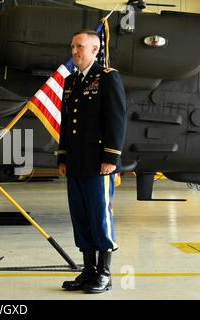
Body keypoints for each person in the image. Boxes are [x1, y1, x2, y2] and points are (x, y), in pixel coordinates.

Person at [57, 30, 127, 294]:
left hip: (99, 163)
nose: (74, 51)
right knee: (81, 217)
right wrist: (63, 157)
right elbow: (67, 125)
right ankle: (88, 271)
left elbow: (116, 120)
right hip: (76, 162)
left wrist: (111, 157)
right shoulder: (70, 81)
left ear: (95, 50)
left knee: (100, 218)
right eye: (73, 46)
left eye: (80, 47)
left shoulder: (107, 78)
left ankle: (104, 273)